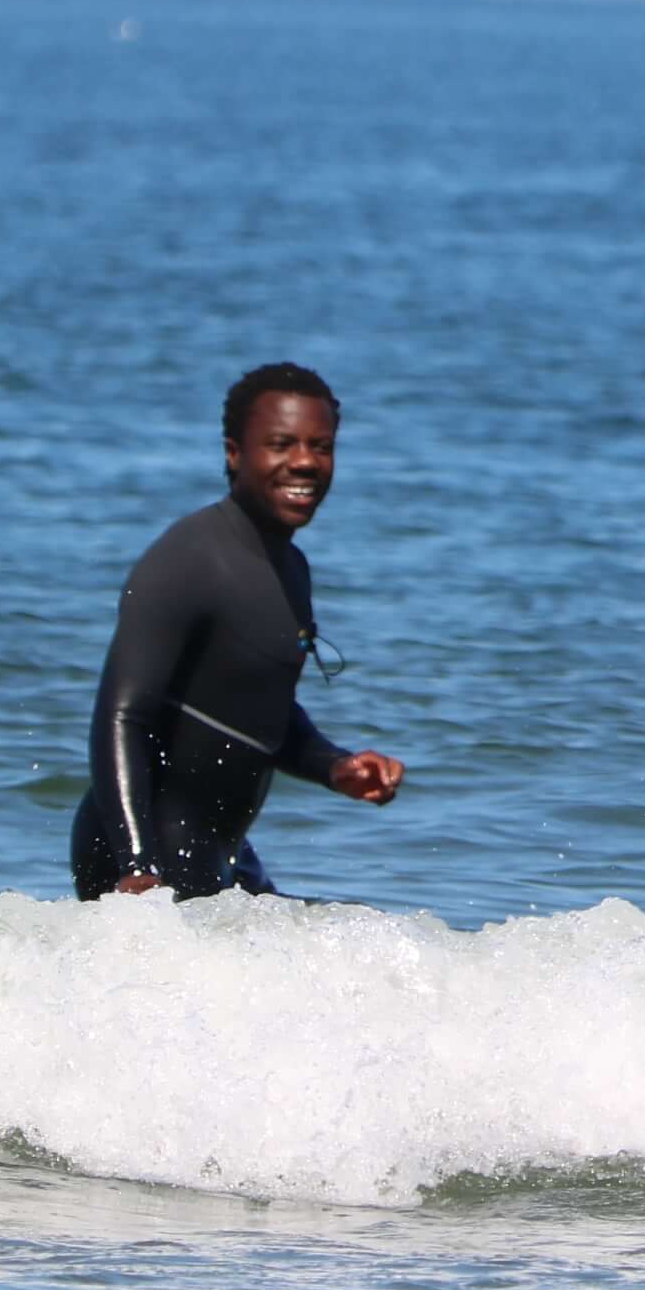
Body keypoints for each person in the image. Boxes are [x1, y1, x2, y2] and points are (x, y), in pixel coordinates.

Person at [72, 363, 406, 903]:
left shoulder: (291, 568)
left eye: (321, 447)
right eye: (281, 444)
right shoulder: (188, 559)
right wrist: (136, 863)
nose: (305, 461)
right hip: (147, 849)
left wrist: (335, 766)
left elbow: (258, 713)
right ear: (234, 453)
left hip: (222, 850)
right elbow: (120, 716)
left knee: (342, 939)